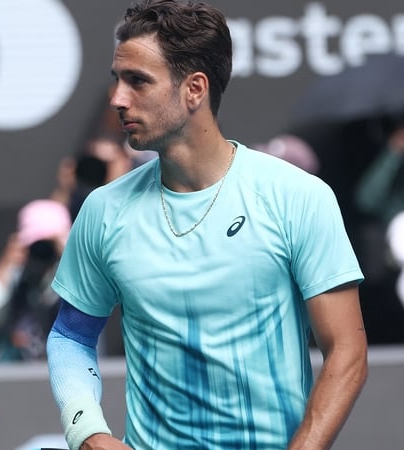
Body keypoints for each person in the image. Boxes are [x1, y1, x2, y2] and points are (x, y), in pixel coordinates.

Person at [46, 1, 368, 449]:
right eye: (117, 80)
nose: (118, 98)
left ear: (194, 89)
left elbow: (347, 352)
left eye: (137, 80)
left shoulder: (298, 196)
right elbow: (69, 336)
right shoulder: (103, 210)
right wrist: (87, 432)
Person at [0, 199, 71, 362]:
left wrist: (70, 261)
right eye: (36, 244)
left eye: (50, 244)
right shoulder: (15, 275)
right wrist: (5, 265)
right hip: (14, 378)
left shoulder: (71, 276)